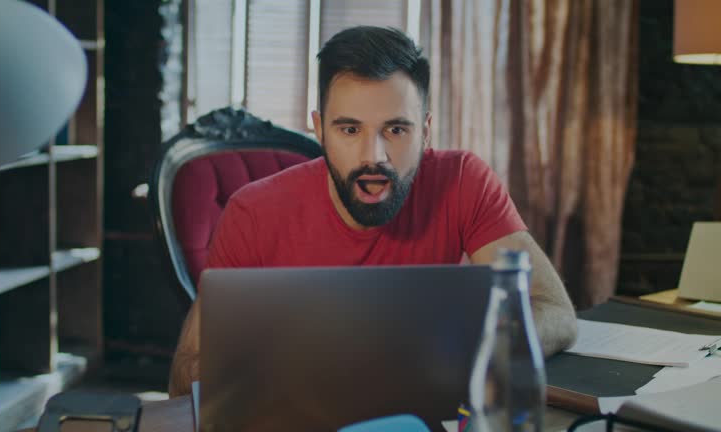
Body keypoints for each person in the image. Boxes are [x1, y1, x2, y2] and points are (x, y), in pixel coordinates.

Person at [169, 26, 577, 396]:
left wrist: (466, 349)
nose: (373, 157)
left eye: (396, 129)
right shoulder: (251, 213)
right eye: (349, 129)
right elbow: (187, 377)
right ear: (318, 127)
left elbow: (553, 310)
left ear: (427, 131)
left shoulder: (463, 180)